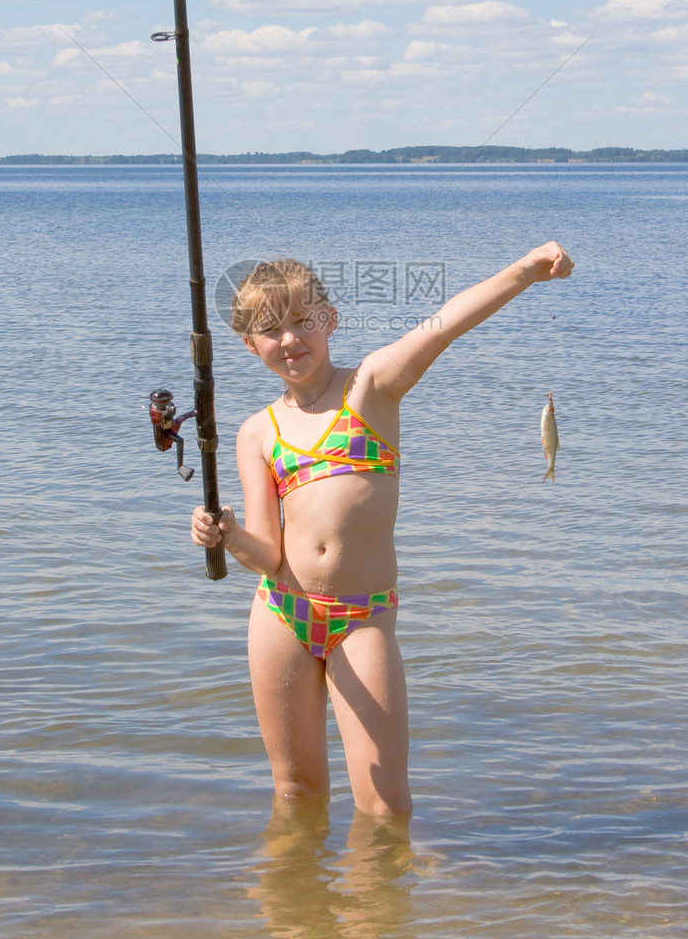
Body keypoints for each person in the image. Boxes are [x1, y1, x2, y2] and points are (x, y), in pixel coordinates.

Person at [191, 242, 574, 817]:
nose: (290, 339)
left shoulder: (370, 388)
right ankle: (293, 905)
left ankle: (380, 906)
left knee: (386, 805)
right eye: (271, 330)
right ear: (250, 346)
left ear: (330, 321)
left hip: (361, 618)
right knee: (295, 794)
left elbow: (443, 326)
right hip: (280, 614)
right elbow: (268, 554)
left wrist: (522, 272)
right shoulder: (256, 433)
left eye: (303, 321)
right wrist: (226, 534)